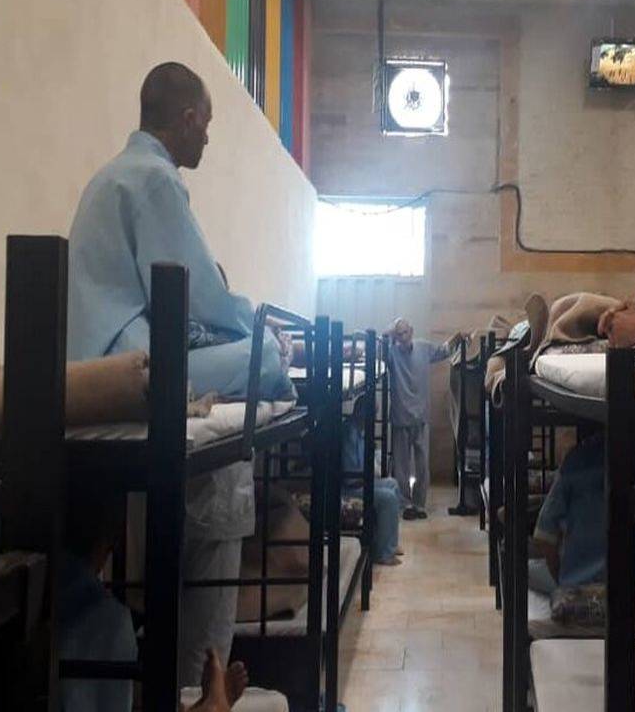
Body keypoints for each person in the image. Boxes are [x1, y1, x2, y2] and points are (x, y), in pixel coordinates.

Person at [67, 62, 290, 686]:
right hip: (127, 364)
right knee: (265, 358)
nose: (208, 139)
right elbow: (201, 297)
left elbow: (176, 301)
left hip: (106, 354)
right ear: (189, 120)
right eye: (207, 126)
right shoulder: (155, 180)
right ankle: (199, 683)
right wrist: (255, 326)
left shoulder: (113, 176)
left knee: (245, 352)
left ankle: (190, 676)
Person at [58, 483, 248, 712]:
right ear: (112, 538)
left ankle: (201, 708)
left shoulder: (36, 592)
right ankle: (210, 708)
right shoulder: (108, 622)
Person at [530, 434, 635, 594]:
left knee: (530, 570)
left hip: (579, 587)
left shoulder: (575, 460)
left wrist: (563, 583)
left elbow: (544, 537)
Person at [384, 318, 463, 520]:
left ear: (411, 331)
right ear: (395, 337)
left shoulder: (423, 348)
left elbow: (443, 351)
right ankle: (405, 505)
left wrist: (457, 339)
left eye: (405, 332)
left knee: (422, 465)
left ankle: (419, 505)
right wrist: (388, 333)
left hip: (421, 416)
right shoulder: (391, 354)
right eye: (398, 334)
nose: (403, 337)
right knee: (401, 467)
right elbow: (377, 351)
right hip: (401, 417)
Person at [342, 395, 404, 565]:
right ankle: (384, 553)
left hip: (359, 481)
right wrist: (370, 479)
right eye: (373, 413)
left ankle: (390, 542)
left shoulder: (359, 431)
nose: (375, 418)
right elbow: (350, 476)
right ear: (361, 413)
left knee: (392, 484)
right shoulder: (350, 434)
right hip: (348, 487)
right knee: (387, 498)